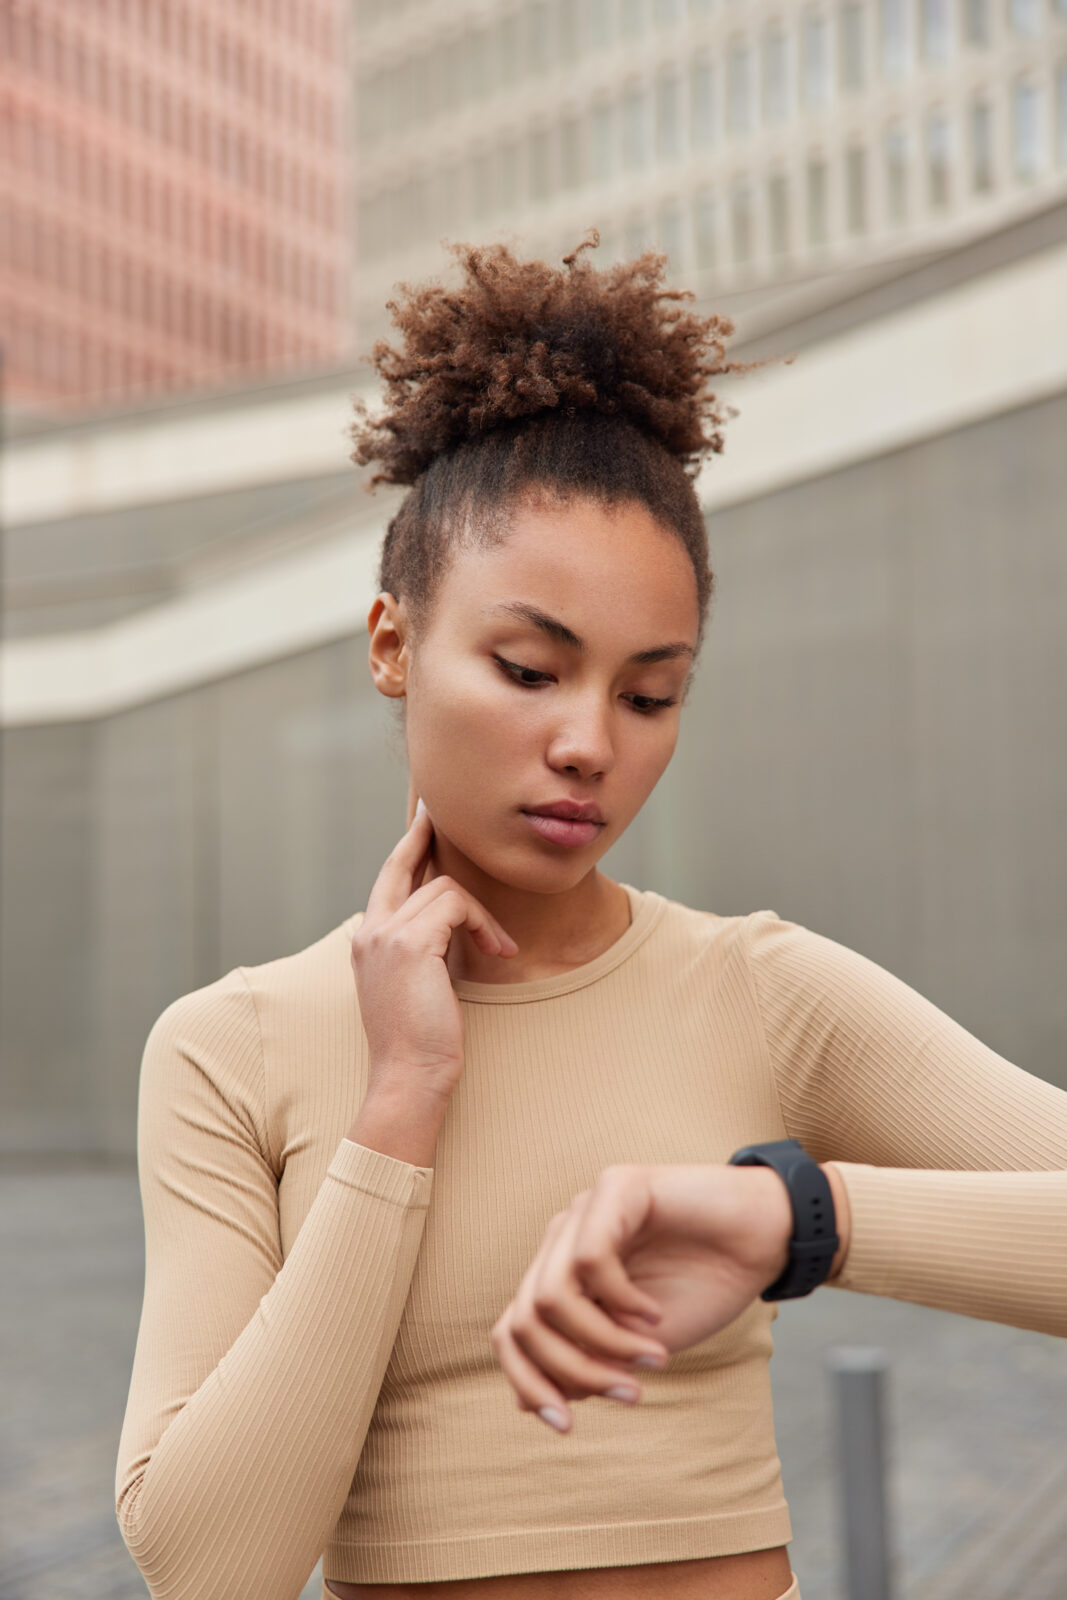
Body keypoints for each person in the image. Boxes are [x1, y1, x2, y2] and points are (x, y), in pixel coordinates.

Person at [116, 236, 1067, 1600]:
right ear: (392, 641)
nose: (587, 744)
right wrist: (402, 1098)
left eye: (648, 694)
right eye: (527, 668)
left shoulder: (758, 991)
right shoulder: (232, 1048)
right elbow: (211, 1567)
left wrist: (794, 1219)